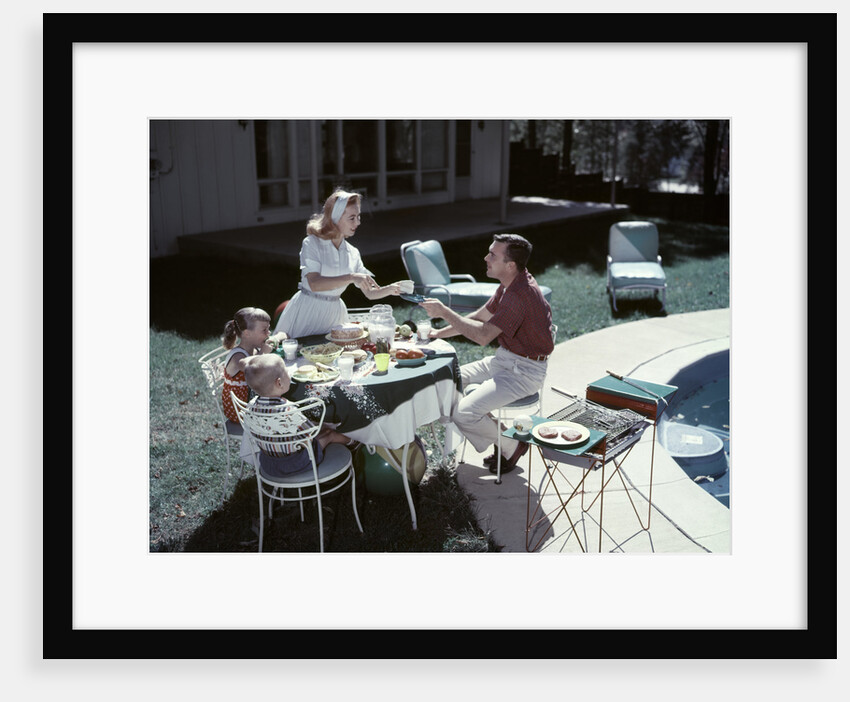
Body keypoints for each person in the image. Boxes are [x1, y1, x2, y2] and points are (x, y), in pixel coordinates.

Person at [420, 233, 554, 474]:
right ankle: (503, 438)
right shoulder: (511, 283)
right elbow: (479, 317)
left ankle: (511, 444)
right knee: (449, 377)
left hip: (524, 372)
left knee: (464, 413)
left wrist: (443, 311)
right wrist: (437, 334)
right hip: (506, 359)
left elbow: (482, 336)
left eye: (493, 255)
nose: (486, 258)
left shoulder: (519, 295)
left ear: (510, 265)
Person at [273, 189, 408, 337]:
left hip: (335, 316)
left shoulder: (353, 252)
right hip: (307, 311)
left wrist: (391, 288)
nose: (358, 222)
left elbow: (370, 292)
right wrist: (351, 277)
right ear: (334, 218)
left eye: (358, 216)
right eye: (352, 218)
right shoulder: (312, 243)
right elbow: (314, 284)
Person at [241, 354, 356, 477]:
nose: (289, 374)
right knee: (329, 434)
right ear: (279, 383)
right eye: (286, 371)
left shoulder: (251, 406)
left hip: (268, 462)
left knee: (320, 431)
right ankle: (354, 443)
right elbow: (310, 435)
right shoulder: (288, 410)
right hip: (296, 463)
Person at [220, 306, 286, 430]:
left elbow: (282, 335)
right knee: (285, 402)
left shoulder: (254, 349)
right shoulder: (237, 357)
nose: (268, 333)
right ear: (247, 333)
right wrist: (264, 352)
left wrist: (277, 338)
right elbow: (255, 369)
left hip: (253, 402)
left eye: (268, 328)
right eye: (264, 330)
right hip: (240, 411)